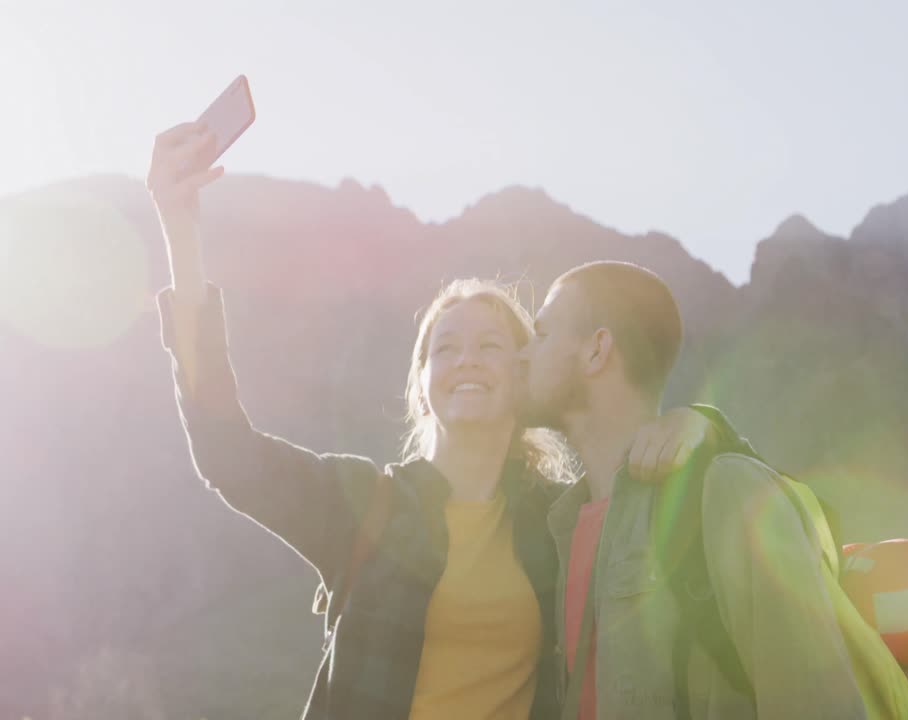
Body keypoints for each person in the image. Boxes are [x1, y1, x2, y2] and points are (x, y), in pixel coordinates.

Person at [147, 122, 741, 720]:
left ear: (523, 373)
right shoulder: (364, 502)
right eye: (446, 348)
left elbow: (713, 507)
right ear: (423, 387)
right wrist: (180, 227)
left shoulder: (561, 522)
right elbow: (226, 452)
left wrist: (701, 425)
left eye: (490, 346)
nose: (466, 361)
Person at [524, 260, 908, 719]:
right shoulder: (560, 524)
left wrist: (712, 428)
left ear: (597, 350)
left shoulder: (725, 492)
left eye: (541, 334)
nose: (523, 354)